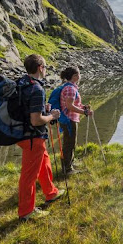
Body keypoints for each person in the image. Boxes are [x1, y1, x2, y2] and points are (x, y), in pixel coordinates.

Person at [16, 54, 65, 221]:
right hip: (32, 137)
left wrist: (43, 108)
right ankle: (26, 212)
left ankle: (51, 193)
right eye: (45, 67)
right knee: (29, 175)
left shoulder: (22, 83)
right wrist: (51, 116)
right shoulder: (36, 88)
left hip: (23, 134)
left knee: (44, 163)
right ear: (39, 68)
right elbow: (36, 120)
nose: (46, 70)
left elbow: (27, 108)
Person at [59, 66, 93, 175]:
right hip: (69, 120)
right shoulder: (70, 89)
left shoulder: (70, 87)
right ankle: (67, 169)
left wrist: (83, 107)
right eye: (79, 74)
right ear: (74, 76)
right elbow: (69, 106)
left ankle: (70, 164)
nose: (80, 75)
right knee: (69, 143)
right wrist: (85, 112)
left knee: (71, 142)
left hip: (70, 119)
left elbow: (74, 104)